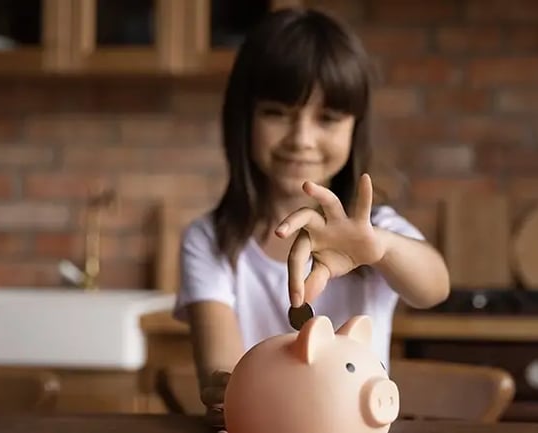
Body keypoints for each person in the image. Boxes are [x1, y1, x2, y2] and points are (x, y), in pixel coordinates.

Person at [172, 6, 450, 428]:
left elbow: (435, 289)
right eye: (277, 113)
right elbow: (220, 366)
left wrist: (379, 247)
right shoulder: (209, 240)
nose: (301, 139)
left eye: (328, 118)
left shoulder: (378, 230)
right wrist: (224, 388)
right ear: (242, 117)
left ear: (355, 128)